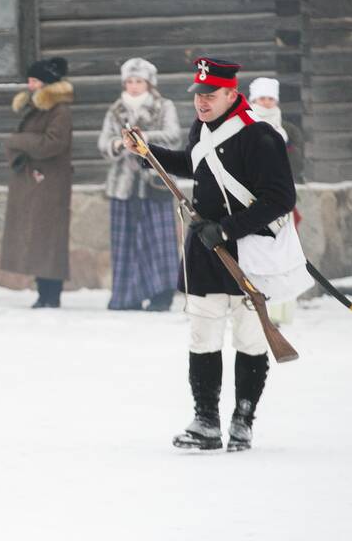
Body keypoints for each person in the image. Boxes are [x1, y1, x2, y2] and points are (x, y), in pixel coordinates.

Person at [122, 57, 311, 452]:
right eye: (198, 95)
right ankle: (206, 420)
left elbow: (280, 198)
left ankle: (242, 420)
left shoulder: (260, 136)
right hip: (205, 250)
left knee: (249, 335)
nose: (201, 102)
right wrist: (147, 152)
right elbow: (193, 165)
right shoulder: (203, 129)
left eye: (210, 95)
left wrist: (226, 228)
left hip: (247, 249)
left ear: (230, 93)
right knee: (203, 333)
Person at [97, 57, 182, 311]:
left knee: (158, 241)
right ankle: (129, 294)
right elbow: (104, 142)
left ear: (149, 83)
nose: (134, 86)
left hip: (155, 181)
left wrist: (145, 139)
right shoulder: (116, 110)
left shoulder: (163, 106)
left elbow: (174, 136)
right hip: (124, 184)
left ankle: (161, 294)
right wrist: (118, 144)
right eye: (130, 81)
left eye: (139, 81)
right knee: (126, 243)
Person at [1, 57, 74, 308]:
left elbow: (52, 144)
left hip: (51, 182)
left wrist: (18, 141)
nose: (30, 85)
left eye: (34, 81)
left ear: (47, 83)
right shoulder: (37, 108)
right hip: (36, 180)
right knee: (38, 238)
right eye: (30, 81)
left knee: (49, 239)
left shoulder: (59, 111)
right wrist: (18, 150)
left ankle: (51, 294)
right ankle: (44, 292)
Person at [247, 77, 302, 326]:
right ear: (253, 100)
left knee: (282, 254)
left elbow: (295, 162)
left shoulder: (287, 129)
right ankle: (255, 306)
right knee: (256, 254)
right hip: (253, 198)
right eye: (261, 98)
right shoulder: (245, 125)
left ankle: (279, 310)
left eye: (270, 98)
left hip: (281, 199)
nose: (266, 103)